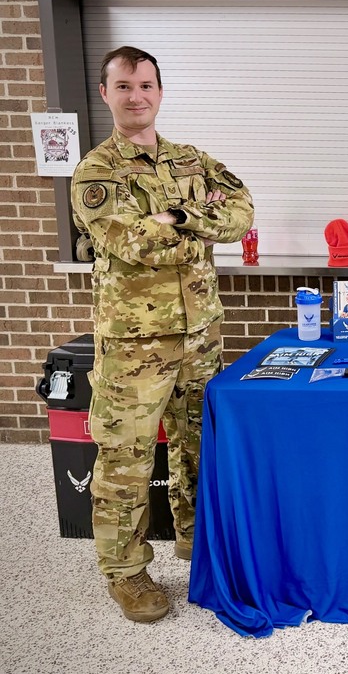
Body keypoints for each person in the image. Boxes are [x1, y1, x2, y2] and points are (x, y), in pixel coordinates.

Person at [71, 46, 254, 623]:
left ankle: (196, 542)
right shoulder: (96, 172)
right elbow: (134, 243)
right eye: (123, 86)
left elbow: (242, 214)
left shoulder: (190, 159)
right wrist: (194, 219)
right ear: (106, 94)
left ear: (160, 91)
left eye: (146, 84)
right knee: (124, 457)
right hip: (134, 343)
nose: (136, 96)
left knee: (200, 445)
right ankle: (125, 572)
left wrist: (174, 217)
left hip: (199, 331)